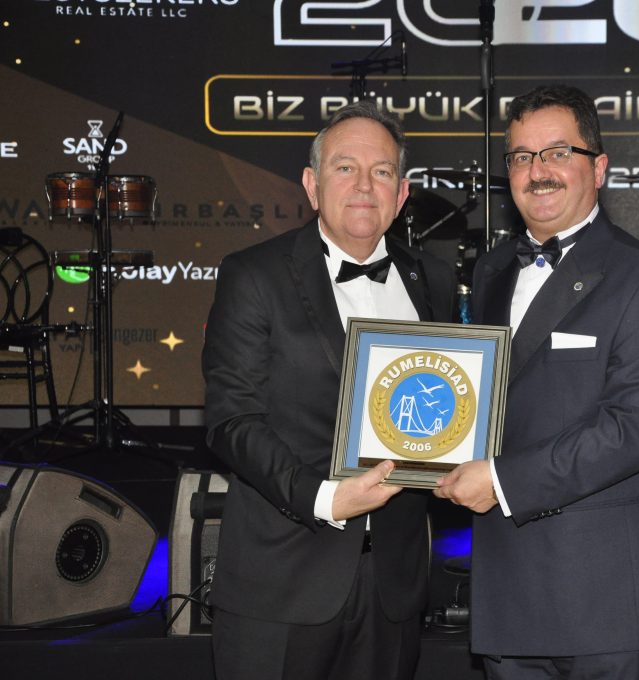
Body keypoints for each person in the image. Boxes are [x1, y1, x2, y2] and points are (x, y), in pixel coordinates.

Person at [434, 84, 639, 679]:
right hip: (509, 593)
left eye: (558, 152)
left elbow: (633, 429)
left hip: (613, 597)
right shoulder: (491, 271)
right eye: (522, 157)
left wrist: (500, 480)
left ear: (599, 168)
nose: (539, 172)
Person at [203, 101, 454, 680]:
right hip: (281, 582)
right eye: (345, 168)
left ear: (402, 193)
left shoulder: (432, 279)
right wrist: (324, 498)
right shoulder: (254, 275)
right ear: (312, 186)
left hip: (393, 589)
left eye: (382, 171)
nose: (364, 185)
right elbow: (231, 420)